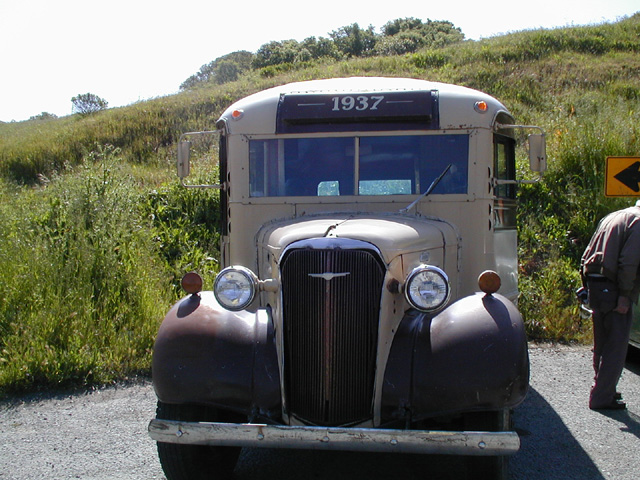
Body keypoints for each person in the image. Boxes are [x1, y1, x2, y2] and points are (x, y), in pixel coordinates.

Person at [580, 200, 640, 410]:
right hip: (614, 287)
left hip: (596, 284)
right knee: (616, 346)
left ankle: (604, 388)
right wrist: (624, 294)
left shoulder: (613, 216)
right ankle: (602, 397)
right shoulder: (638, 222)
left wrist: (585, 286)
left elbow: (586, 254)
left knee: (602, 344)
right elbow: (629, 261)